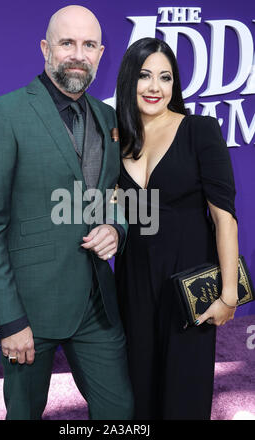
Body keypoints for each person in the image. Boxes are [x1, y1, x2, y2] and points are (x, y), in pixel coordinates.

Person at [0, 5, 134, 420]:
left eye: (89, 45)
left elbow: (114, 195)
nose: (78, 53)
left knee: (120, 413)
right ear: (46, 48)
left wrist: (117, 226)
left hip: (97, 305)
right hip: (30, 312)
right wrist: (9, 321)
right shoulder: (3, 114)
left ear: (100, 53)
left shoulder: (108, 117)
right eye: (67, 43)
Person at [114, 37, 238, 420]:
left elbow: (224, 218)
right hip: (134, 281)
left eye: (165, 77)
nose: (155, 87)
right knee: (138, 390)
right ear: (128, 81)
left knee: (184, 393)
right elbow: (115, 209)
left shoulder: (199, 130)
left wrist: (230, 296)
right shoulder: (116, 137)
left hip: (190, 281)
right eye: (145, 75)